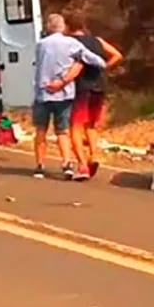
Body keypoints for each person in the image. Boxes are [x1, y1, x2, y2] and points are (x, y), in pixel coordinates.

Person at [32, 13, 107, 179]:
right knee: (63, 131)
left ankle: (39, 166)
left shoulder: (40, 45)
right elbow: (97, 61)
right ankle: (67, 164)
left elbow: (37, 66)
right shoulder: (72, 43)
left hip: (43, 93)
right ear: (62, 26)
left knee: (41, 130)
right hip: (64, 94)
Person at [66, 12, 123, 181]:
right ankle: (94, 155)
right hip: (99, 86)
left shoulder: (70, 43)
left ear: (68, 27)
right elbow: (117, 55)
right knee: (91, 125)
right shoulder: (97, 40)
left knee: (75, 127)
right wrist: (105, 67)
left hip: (80, 87)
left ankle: (82, 165)